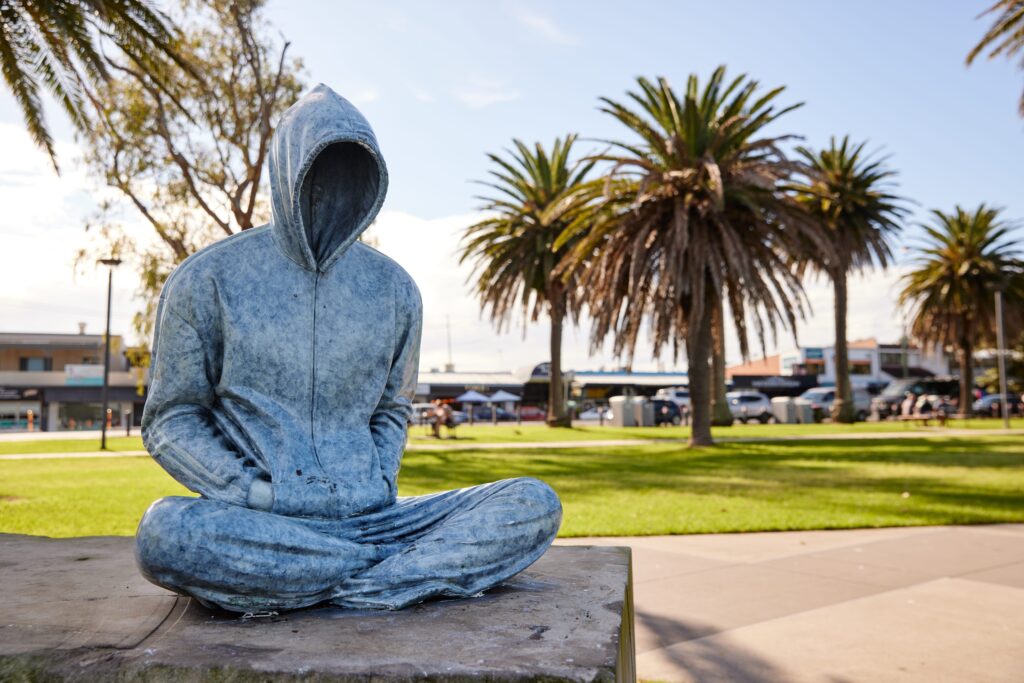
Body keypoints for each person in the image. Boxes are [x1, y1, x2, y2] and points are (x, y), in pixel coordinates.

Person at [135, 85, 561, 613]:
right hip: (266, 518)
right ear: (286, 171)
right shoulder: (207, 280)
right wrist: (250, 492)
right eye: (317, 171)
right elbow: (171, 417)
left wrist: (382, 478)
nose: (329, 190)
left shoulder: (394, 290)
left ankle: (315, 575)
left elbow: (391, 407)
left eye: (348, 171)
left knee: (532, 502)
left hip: (380, 514)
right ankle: (400, 572)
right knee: (167, 533)